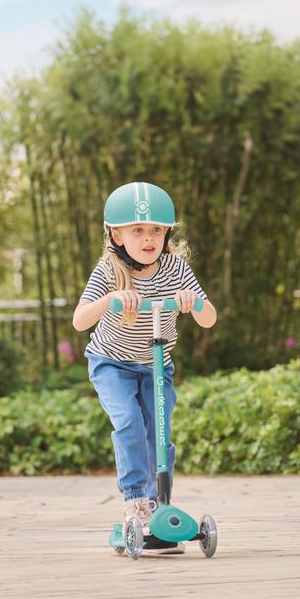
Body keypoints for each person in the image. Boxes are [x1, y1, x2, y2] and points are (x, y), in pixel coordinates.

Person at [72, 182, 217, 555]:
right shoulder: (109, 270)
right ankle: (136, 501)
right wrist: (111, 299)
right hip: (111, 364)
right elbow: (79, 320)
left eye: (155, 229)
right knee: (129, 423)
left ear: (167, 232)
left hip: (157, 365)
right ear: (116, 234)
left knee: (159, 430)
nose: (148, 238)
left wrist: (192, 303)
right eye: (137, 230)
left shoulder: (175, 268)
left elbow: (209, 319)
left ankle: (160, 506)